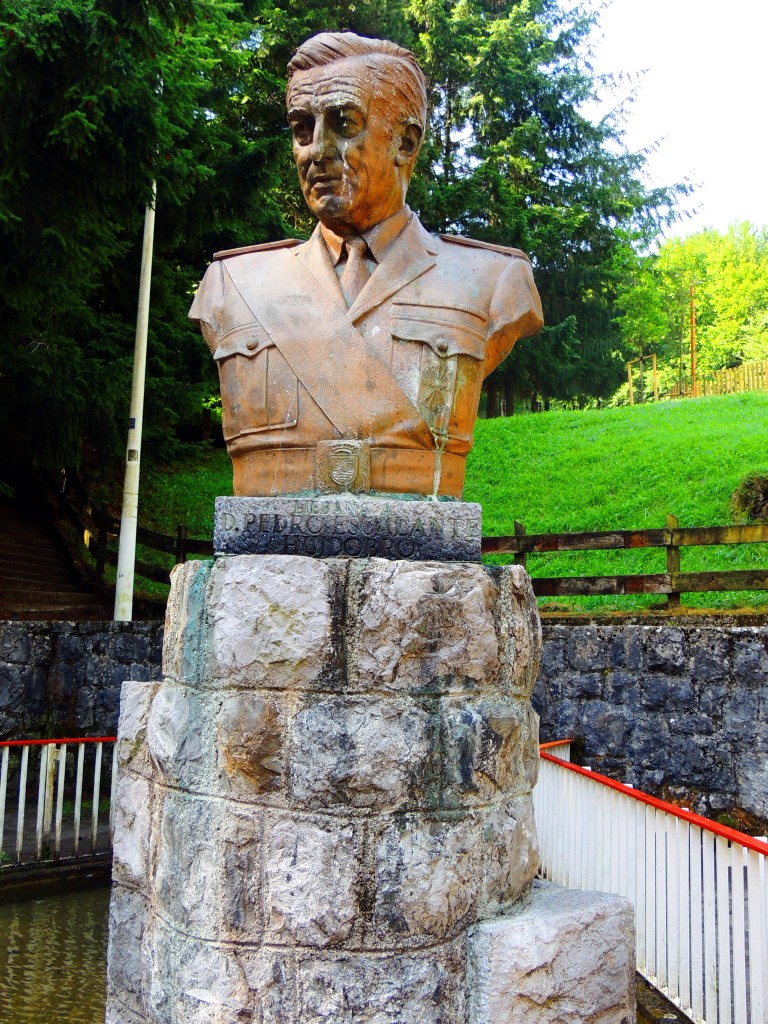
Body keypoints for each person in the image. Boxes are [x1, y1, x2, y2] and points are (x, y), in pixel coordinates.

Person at [190, 32, 543, 499]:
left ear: (406, 143)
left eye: (344, 124)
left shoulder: (492, 282)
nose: (316, 151)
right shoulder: (233, 284)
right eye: (302, 129)